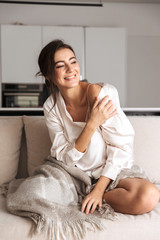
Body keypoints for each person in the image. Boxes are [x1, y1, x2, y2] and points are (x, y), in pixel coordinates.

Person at [37, 39, 159, 215]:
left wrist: (99, 190)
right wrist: (92, 123)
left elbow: (121, 147)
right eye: (60, 65)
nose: (71, 69)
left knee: (148, 196)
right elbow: (65, 157)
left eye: (73, 61)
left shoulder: (99, 94)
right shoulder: (51, 107)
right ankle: (83, 194)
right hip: (75, 175)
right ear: (48, 75)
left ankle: (92, 197)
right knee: (36, 193)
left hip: (111, 172)